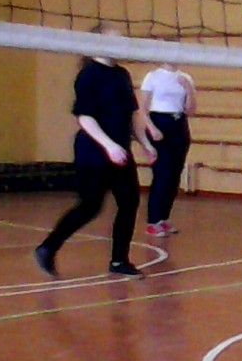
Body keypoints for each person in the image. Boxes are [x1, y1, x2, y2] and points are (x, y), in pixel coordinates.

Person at [34, 24, 155, 279]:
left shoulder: (121, 74)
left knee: (129, 202)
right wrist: (108, 146)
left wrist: (144, 143)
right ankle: (48, 247)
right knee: (90, 205)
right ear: (97, 44)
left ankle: (119, 260)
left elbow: (133, 115)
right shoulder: (88, 75)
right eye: (115, 40)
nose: (121, 44)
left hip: (120, 150)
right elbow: (84, 117)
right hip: (93, 151)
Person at [139, 61, 196, 238]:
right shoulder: (152, 76)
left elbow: (190, 110)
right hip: (159, 122)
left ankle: (163, 218)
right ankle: (152, 221)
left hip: (179, 124)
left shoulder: (185, 77)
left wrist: (188, 88)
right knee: (162, 173)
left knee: (174, 175)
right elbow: (142, 109)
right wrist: (152, 128)